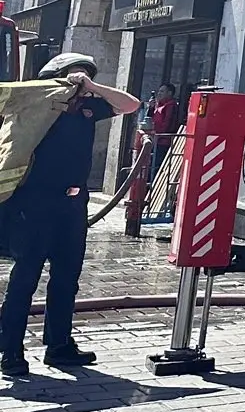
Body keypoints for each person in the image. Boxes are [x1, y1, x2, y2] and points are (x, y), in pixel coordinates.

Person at [0, 52, 140, 375]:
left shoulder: (90, 108)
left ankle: (59, 346)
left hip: (73, 207)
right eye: (73, 76)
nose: (78, 84)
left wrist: (93, 86)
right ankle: (10, 352)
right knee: (25, 279)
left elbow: (131, 104)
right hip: (35, 205)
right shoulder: (37, 105)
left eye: (83, 77)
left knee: (66, 279)